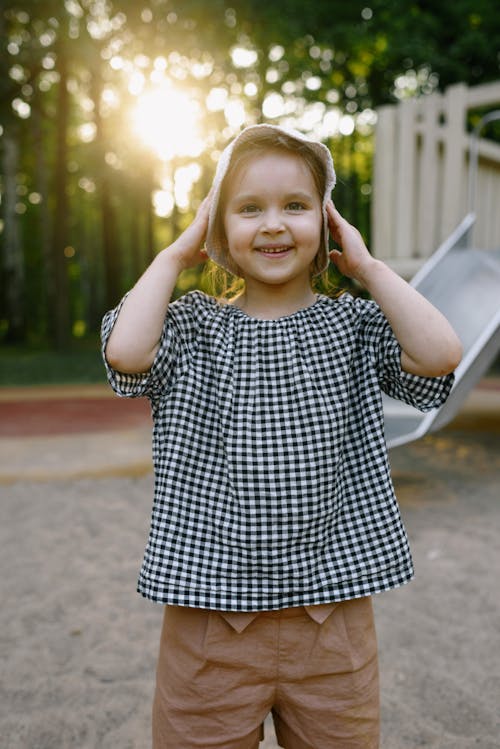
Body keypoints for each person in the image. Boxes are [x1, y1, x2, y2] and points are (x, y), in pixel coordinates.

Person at [101, 124, 462, 749]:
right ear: (217, 230)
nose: (273, 223)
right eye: (248, 208)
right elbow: (129, 354)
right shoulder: (190, 328)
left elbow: (440, 354)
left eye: (296, 206)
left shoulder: (354, 323)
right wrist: (173, 255)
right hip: (210, 619)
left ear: (327, 223)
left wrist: (368, 267)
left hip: (333, 617)